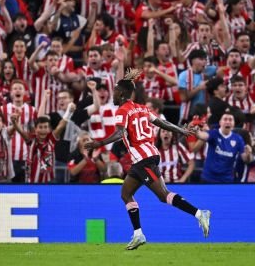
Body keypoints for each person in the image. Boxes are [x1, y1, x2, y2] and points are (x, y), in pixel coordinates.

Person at [85, 69, 210, 250]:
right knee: (126, 193)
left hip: (144, 158)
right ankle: (138, 234)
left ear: (121, 93)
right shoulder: (143, 108)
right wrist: (181, 130)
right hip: (144, 158)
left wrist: (99, 144)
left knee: (163, 195)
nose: (113, 95)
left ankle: (200, 213)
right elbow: (162, 123)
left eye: (115, 92)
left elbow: (120, 133)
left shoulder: (122, 110)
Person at [194, 109, 253, 182]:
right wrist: (196, 130)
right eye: (225, 119)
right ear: (220, 122)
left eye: (230, 120)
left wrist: (248, 154)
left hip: (226, 180)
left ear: (234, 123)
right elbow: (202, 135)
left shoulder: (238, 139)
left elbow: (246, 159)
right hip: (208, 178)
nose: (228, 121)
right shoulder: (214, 133)